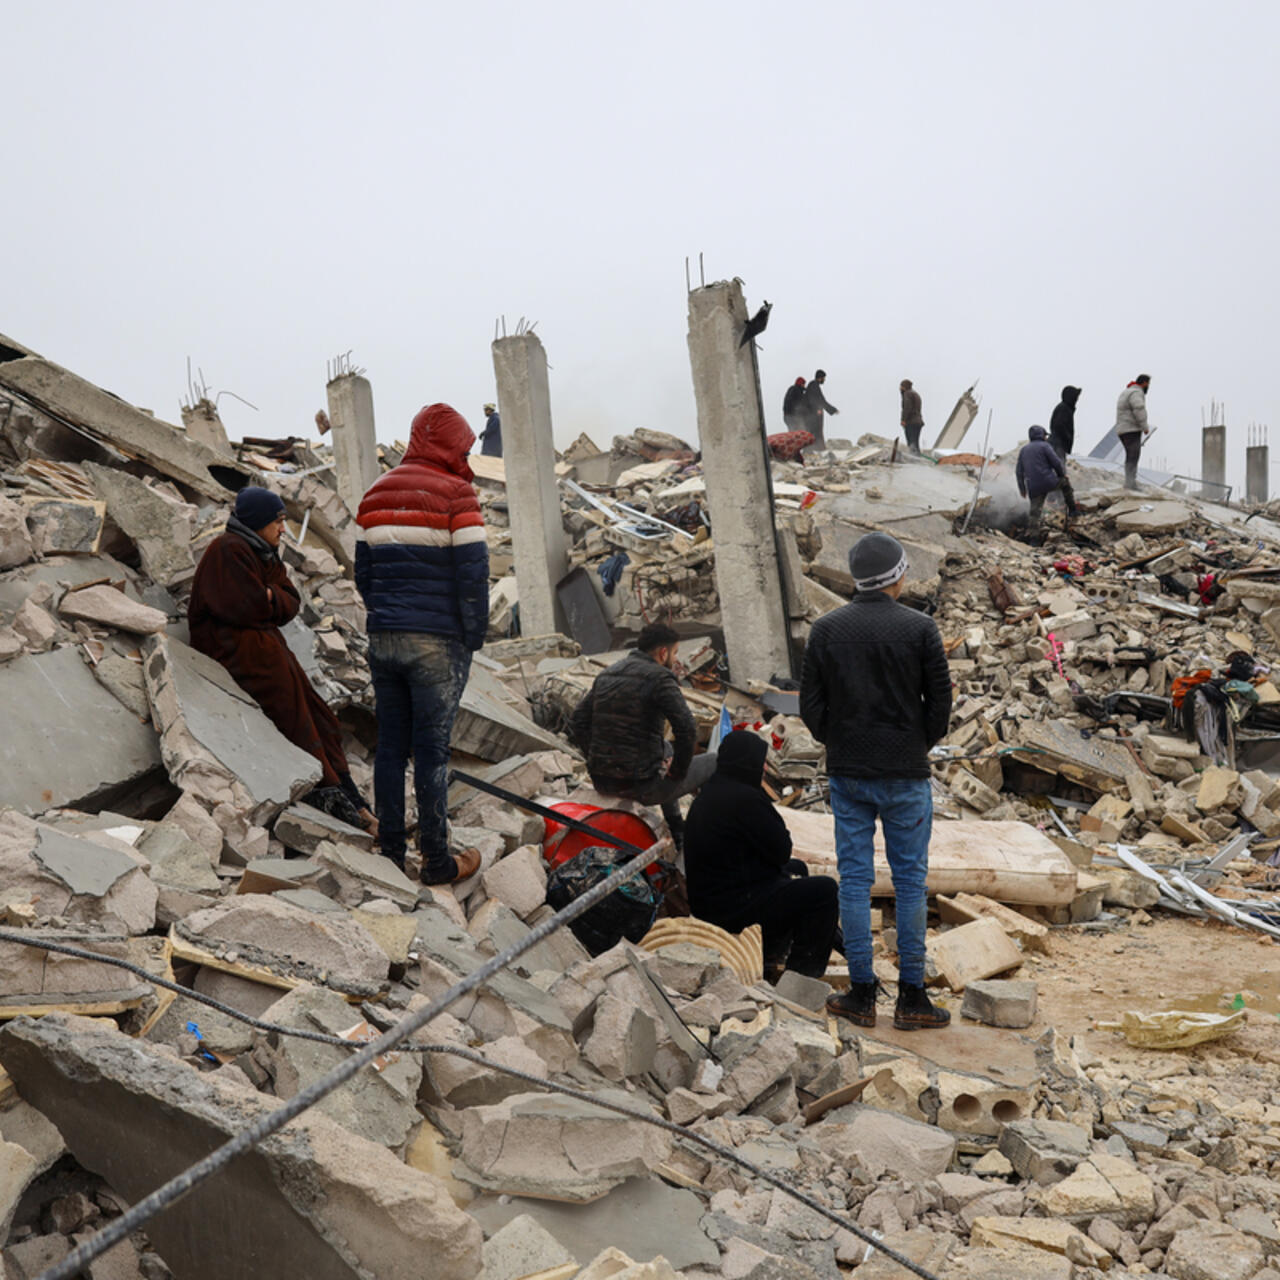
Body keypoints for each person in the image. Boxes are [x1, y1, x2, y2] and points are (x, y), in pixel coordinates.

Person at [799, 531, 953, 1030]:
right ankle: (912, 997)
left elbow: (811, 707)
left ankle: (861, 993)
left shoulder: (825, 630)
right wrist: (916, 745)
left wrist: (838, 741)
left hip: (849, 773)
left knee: (856, 879)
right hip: (906, 774)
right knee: (910, 882)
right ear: (898, 575)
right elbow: (941, 705)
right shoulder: (921, 629)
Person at [354, 403, 489, 884]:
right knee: (432, 752)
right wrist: (472, 635)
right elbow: (473, 575)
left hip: (384, 637)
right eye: (465, 446)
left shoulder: (374, 493)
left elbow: (363, 573)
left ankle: (390, 853)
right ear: (451, 444)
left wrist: (386, 615)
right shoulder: (458, 494)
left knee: (390, 748)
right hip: (437, 642)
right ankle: (436, 860)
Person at [188, 486, 375, 831]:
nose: (283, 529)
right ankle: (329, 797)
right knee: (295, 721)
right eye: (277, 522)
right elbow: (248, 605)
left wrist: (269, 598)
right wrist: (269, 600)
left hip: (265, 650)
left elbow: (289, 602)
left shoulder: (262, 553)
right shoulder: (228, 550)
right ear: (259, 521)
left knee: (319, 716)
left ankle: (351, 797)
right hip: (238, 656)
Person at [684, 730, 839, 980]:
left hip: (712, 900)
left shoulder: (711, 793)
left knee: (797, 868)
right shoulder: (745, 799)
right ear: (749, 762)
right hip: (732, 909)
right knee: (825, 891)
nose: (765, 767)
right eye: (762, 761)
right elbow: (780, 849)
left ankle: (768, 955)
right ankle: (801, 978)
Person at [568, 622, 717, 849]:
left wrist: (598, 760)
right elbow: (687, 729)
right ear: (663, 652)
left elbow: (578, 720)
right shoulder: (660, 679)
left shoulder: (608, 673)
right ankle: (705, 836)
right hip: (641, 785)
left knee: (667, 748)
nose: (677, 660)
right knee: (718, 760)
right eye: (675, 653)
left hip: (603, 780)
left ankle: (677, 828)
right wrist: (676, 773)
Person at [1017, 426, 1080, 525]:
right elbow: (1057, 463)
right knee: (1065, 484)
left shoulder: (1023, 450)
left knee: (1034, 514)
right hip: (1049, 482)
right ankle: (1073, 511)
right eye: (1045, 435)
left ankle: (1034, 538)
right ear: (1042, 435)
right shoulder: (1045, 446)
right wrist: (1062, 475)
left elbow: (1019, 472)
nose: (1046, 438)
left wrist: (1022, 489)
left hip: (1033, 488)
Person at [1115, 375, 1151, 489]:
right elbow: (1139, 408)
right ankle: (1130, 483)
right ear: (1144, 383)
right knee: (1133, 456)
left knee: (1130, 456)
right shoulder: (1136, 392)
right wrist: (1144, 426)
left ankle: (1129, 482)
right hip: (1131, 429)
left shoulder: (1127, 391)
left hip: (1123, 429)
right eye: (1148, 384)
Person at [802, 369, 839, 447]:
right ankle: (817, 449)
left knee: (814, 432)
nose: (824, 380)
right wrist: (832, 410)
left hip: (812, 414)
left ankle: (815, 448)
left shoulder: (813, 385)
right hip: (813, 414)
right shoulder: (814, 386)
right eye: (823, 378)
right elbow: (820, 401)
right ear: (820, 378)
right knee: (816, 432)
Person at [1049, 386, 1081, 462]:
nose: (1077, 399)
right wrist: (1067, 437)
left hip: (1060, 445)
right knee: (1059, 467)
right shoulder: (1064, 409)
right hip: (1058, 445)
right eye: (1076, 397)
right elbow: (1058, 426)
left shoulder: (1065, 408)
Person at [899, 379, 924, 454]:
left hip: (911, 422)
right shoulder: (915, 394)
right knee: (915, 443)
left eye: (901, 386)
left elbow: (907, 408)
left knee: (911, 443)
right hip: (918, 422)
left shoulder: (907, 394)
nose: (899, 388)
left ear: (904, 387)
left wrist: (903, 420)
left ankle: (914, 458)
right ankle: (917, 457)